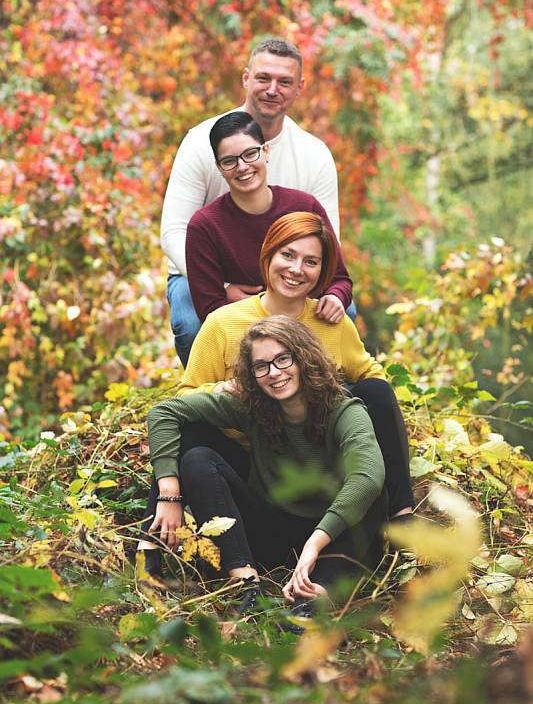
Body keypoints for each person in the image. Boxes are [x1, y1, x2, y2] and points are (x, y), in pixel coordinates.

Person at [137, 212, 413, 576]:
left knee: (376, 393)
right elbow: (182, 400)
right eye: (288, 255)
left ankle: (402, 515)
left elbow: (371, 380)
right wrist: (228, 388)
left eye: (311, 261)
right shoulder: (223, 322)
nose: (297, 269)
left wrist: (325, 399)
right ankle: (158, 535)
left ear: (322, 270)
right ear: (267, 256)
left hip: (319, 455)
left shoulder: (331, 321)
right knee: (193, 434)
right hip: (250, 455)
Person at [147, 316, 387, 614]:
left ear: (303, 357)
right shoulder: (254, 408)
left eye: (283, 359)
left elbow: (368, 476)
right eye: (261, 366)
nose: (274, 373)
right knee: (198, 459)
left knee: (373, 490)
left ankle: (313, 599)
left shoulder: (344, 410)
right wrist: (169, 492)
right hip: (272, 531)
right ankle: (246, 587)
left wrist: (315, 543)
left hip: (334, 538)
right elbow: (163, 413)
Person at [160, 38, 340, 363]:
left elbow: (328, 244)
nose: (272, 89)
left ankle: (322, 399)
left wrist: (290, 291)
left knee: (340, 311)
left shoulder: (314, 156)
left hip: (288, 274)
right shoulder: (201, 142)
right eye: (263, 78)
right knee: (190, 324)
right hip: (202, 273)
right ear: (246, 79)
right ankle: (207, 397)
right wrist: (220, 285)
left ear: (299, 87)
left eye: (284, 82)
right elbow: (174, 230)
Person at [186, 110, 352, 325]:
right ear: (219, 168)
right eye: (229, 161)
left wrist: (335, 297)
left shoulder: (304, 206)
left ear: (266, 151)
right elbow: (209, 308)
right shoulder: (204, 226)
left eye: (250, 154)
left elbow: (340, 279)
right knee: (187, 326)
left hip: (304, 319)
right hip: (243, 328)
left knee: (346, 317)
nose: (242, 167)